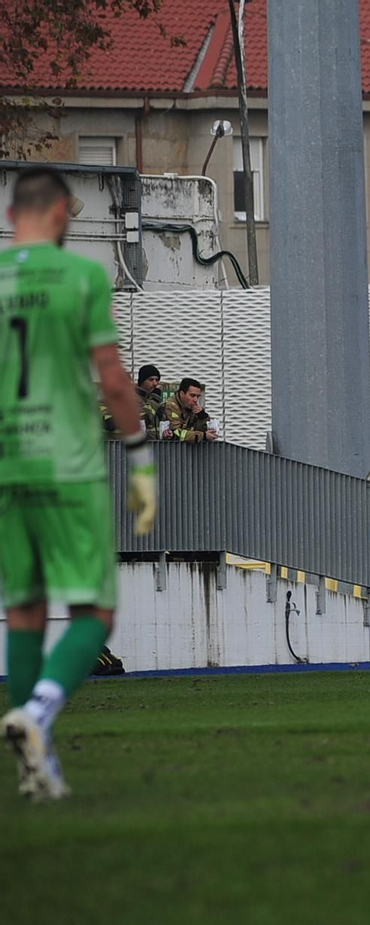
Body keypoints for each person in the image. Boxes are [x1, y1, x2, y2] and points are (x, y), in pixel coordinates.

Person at [2, 166, 158, 801]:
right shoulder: (83, 276)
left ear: (11, 215)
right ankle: (37, 714)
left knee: (23, 610)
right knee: (97, 612)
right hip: (68, 465)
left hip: (8, 466)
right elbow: (113, 379)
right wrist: (141, 460)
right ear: (63, 212)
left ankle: (33, 770)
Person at [162, 377, 217, 444]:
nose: (195, 400)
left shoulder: (190, 406)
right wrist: (203, 436)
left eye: (198, 396)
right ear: (182, 394)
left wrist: (202, 417)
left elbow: (197, 430)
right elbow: (177, 433)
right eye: (192, 396)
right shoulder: (171, 406)